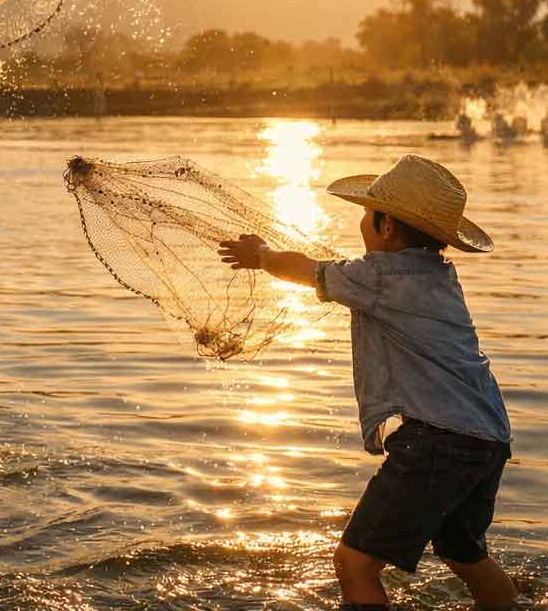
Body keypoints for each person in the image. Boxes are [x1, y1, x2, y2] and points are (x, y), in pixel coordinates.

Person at [219, 155, 516, 611]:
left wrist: (261, 257)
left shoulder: (379, 277)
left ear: (387, 228)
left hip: (440, 439)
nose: (361, 222)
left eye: (365, 213)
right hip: (489, 438)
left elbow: (308, 270)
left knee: (354, 563)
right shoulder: (439, 276)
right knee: (463, 552)